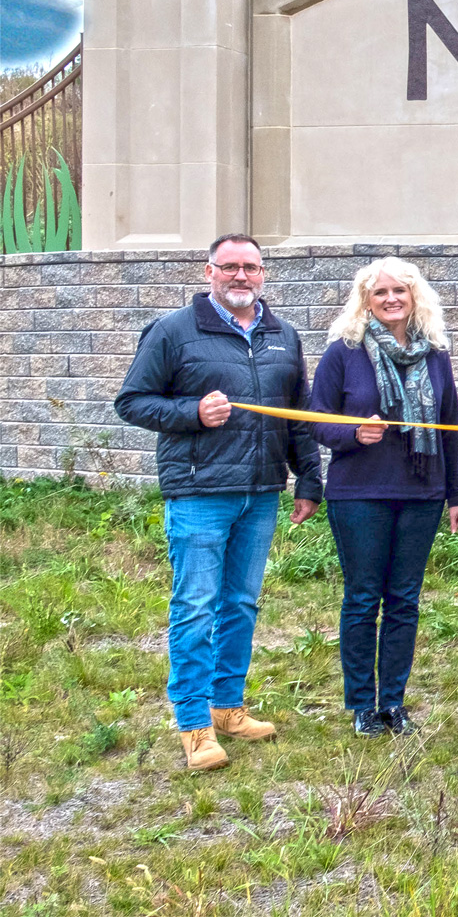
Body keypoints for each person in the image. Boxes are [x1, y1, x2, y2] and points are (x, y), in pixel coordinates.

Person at [114, 233, 322, 772]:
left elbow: (296, 413)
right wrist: (190, 413)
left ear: (263, 274)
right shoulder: (174, 332)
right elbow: (132, 401)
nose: (240, 277)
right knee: (195, 607)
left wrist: (308, 480)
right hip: (199, 493)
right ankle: (194, 726)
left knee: (241, 603)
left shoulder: (283, 336)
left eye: (251, 267)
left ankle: (228, 708)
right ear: (208, 272)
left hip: (261, 493)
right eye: (229, 267)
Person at [304, 257, 458, 737]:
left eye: (400, 291)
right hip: (359, 493)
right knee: (362, 598)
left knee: (404, 599)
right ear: (366, 300)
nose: (391, 299)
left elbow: (450, 430)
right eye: (381, 293)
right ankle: (361, 704)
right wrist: (353, 432)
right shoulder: (344, 351)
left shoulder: (435, 355)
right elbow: (317, 418)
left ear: (415, 296)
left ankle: (393, 703)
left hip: (422, 494)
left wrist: (457, 496)